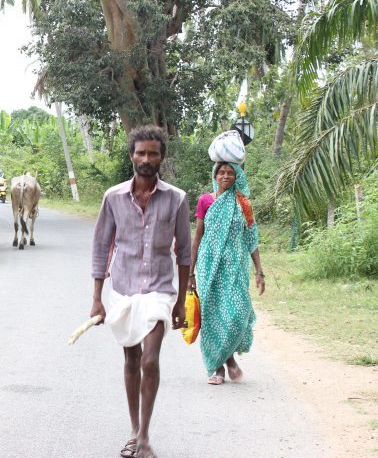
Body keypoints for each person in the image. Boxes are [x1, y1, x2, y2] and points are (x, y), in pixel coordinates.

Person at [90, 125, 191, 458]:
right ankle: (134, 430)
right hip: (122, 290)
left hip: (160, 291)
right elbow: (102, 246)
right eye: (141, 152)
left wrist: (179, 303)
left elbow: (184, 252)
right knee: (132, 360)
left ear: (162, 156)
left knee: (150, 359)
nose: (147, 159)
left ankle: (145, 436)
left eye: (153, 153)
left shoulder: (177, 199)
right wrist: (97, 299)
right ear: (132, 155)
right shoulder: (113, 197)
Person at [188, 161, 265, 385]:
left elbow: (252, 239)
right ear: (215, 175)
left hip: (236, 268)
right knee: (213, 316)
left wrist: (260, 271)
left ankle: (228, 358)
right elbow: (198, 237)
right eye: (221, 172)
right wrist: (190, 274)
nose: (225, 176)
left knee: (237, 313)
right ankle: (220, 367)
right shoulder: (205, 200)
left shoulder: (243, 203)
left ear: (237, 175)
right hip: (210, 266)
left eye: (230, 172)